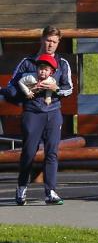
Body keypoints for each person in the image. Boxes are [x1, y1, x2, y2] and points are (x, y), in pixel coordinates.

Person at [4, 27, 73, 205]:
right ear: (42, 39)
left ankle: (50, 191)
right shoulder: (27, 62)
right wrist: (25, 91)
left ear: (58, 43)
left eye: (55, 42)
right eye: (48, 40)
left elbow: (69, 89)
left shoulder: (62, 63)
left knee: (52, 153)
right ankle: (21, 188)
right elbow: (11, 87)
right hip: (32, 113)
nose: (51, 45)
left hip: (53, 112)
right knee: (28, 152)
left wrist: (55, 89)